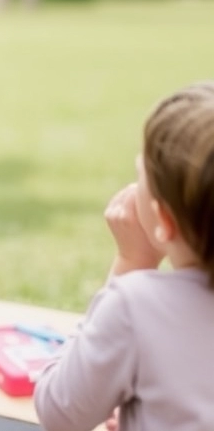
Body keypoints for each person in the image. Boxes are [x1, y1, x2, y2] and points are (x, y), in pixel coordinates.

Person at [34, 81, 214, 431]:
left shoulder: (136, 305)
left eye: (140, 173)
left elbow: (59, 411)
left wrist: (131, 264)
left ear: (163, 220)